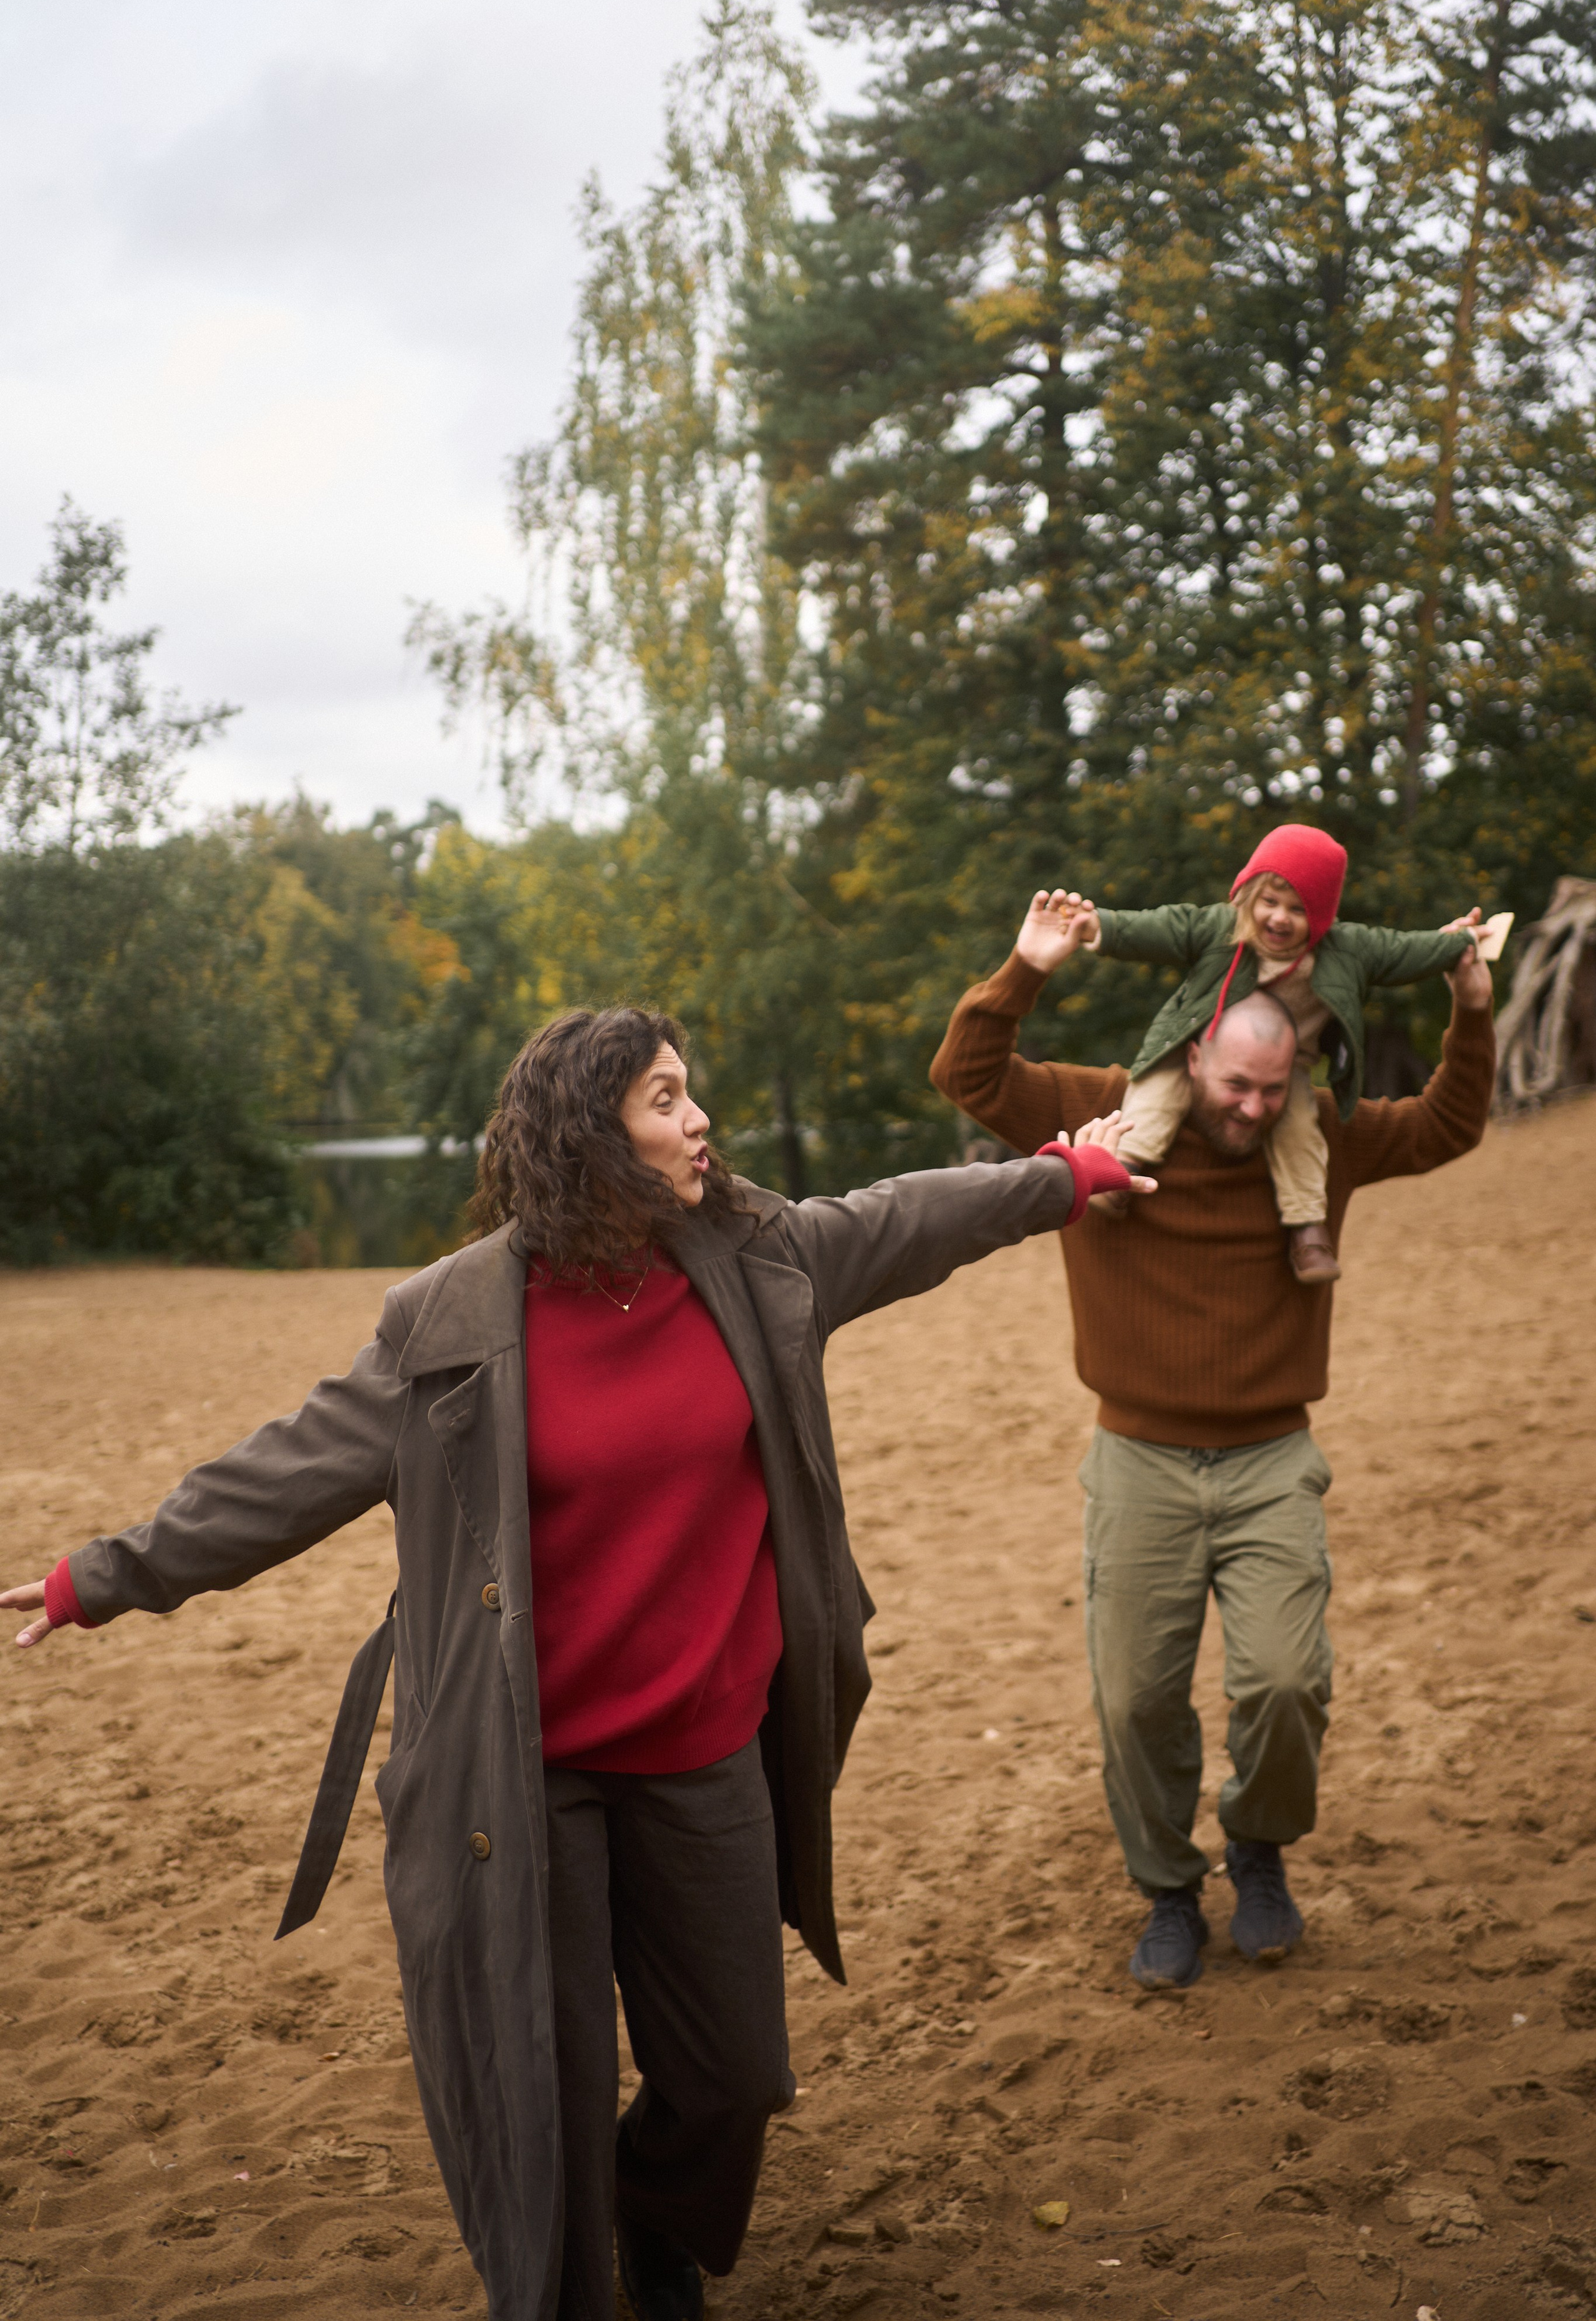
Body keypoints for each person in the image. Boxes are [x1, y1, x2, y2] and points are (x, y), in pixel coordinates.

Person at [2, 1004, 1149, 2321]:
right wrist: (105, 1576)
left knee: (731, 2076)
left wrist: (1066, 1176)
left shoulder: (758, 1260)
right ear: (588, 1135)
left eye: (691, 1093)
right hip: (519, 1770)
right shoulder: (454, 1317)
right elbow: (292, 1468)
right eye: (666, 1100)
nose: (698, 1119)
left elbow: (906, 1215)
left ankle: (658, 2219)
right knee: (535, 2085)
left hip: (703, 1750)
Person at [928, 898, 1496, 1990]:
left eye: (1275, 1089)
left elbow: (1449, 1123)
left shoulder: (1316, 1140)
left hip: (1273, 1455)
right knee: (1138, 1698)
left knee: (1286, 1682)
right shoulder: (1104, 1111)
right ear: (1194, 1053)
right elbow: (969, 1074)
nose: (1253, 1106)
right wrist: (1025, 968)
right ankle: (1170, 1892)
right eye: (1236, 1084)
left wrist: (1470, 1004)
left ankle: (1260, 1847)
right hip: (1137, 1457)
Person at [1049, 823, 1482, 1282]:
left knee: (1300, 1131)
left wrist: (1459, 944)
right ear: (1247, 897)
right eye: (1269, 902)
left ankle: (1308, 1233)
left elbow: (1404, 951)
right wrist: (1101, 927)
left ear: (1322, 915)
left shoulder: (1348, 950)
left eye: (1299, 909)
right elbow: (1162, 928)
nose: (1279, 918)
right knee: (1154, 1091)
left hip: (1287, 1068)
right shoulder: (1221, 929)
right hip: (1203, 1045)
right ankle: (1121, 1173)